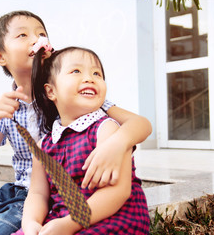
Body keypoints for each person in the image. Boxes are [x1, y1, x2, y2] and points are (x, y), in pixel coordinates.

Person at [0, 10, 151, 235]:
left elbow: (139, 124)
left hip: (50, 195)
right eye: (22, 35)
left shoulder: (72, 96)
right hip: (18, 193)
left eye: (41, 33)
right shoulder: (8, 106)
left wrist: (117, 143)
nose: (36, 39)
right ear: (0, 56)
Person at [13, 46, 150, 235]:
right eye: (76, 71)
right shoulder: (43, 146)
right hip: (64, 218)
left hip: (111, 218)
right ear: (51, 91)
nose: (89, 78)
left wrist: (69, 224)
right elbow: (38, 193)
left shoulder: (107, 129)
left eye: (97, 73)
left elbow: (118, 192)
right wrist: (31, 223)